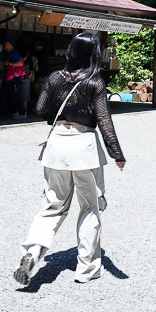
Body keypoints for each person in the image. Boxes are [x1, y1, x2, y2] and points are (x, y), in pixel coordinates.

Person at [15, 32, 125, 287]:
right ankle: (86, 269)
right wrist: (116, 154)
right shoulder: (95, 82)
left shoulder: (54, 77)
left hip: (57, 146)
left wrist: (61, 114)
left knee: (52, 205)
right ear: (93, 55)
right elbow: (104, 121)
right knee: (89, 208)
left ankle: (32, 251)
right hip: (84, 148)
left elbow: (41, 108)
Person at [0, 37, 29, 121]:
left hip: (13, 79)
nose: (5, 45)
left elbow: (20, 63)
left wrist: (9, 63)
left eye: (6, 44)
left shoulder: (14, 53)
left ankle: (22, 113)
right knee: (2, 96)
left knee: (17, 97)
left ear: (11, 45)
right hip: (8, 79)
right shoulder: (9, 53)